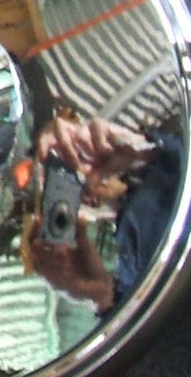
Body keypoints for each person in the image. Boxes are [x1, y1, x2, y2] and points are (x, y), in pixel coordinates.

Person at [26, 115, 182, 312]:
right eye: (60, 190)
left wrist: (145, 148)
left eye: (79, 156)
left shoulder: (158, 158)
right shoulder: (125, 257)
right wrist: (103, 296)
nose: (82, 177)